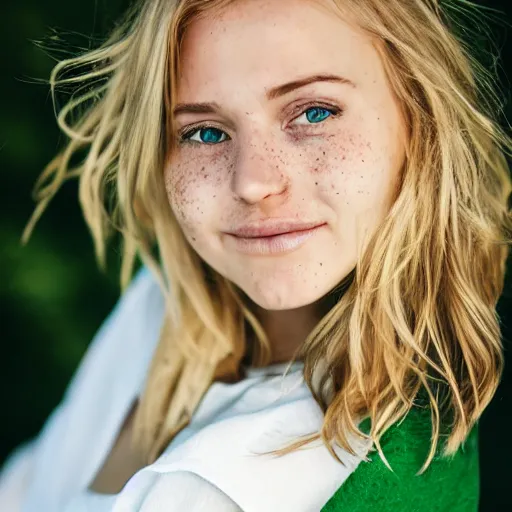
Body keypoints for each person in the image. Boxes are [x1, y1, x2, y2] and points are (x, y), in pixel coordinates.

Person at [1, 0, 511, 510]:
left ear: (419, 119)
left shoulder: (246, 486)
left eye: (314, 112)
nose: (253, 182)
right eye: (205, 132)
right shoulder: (159, 303)